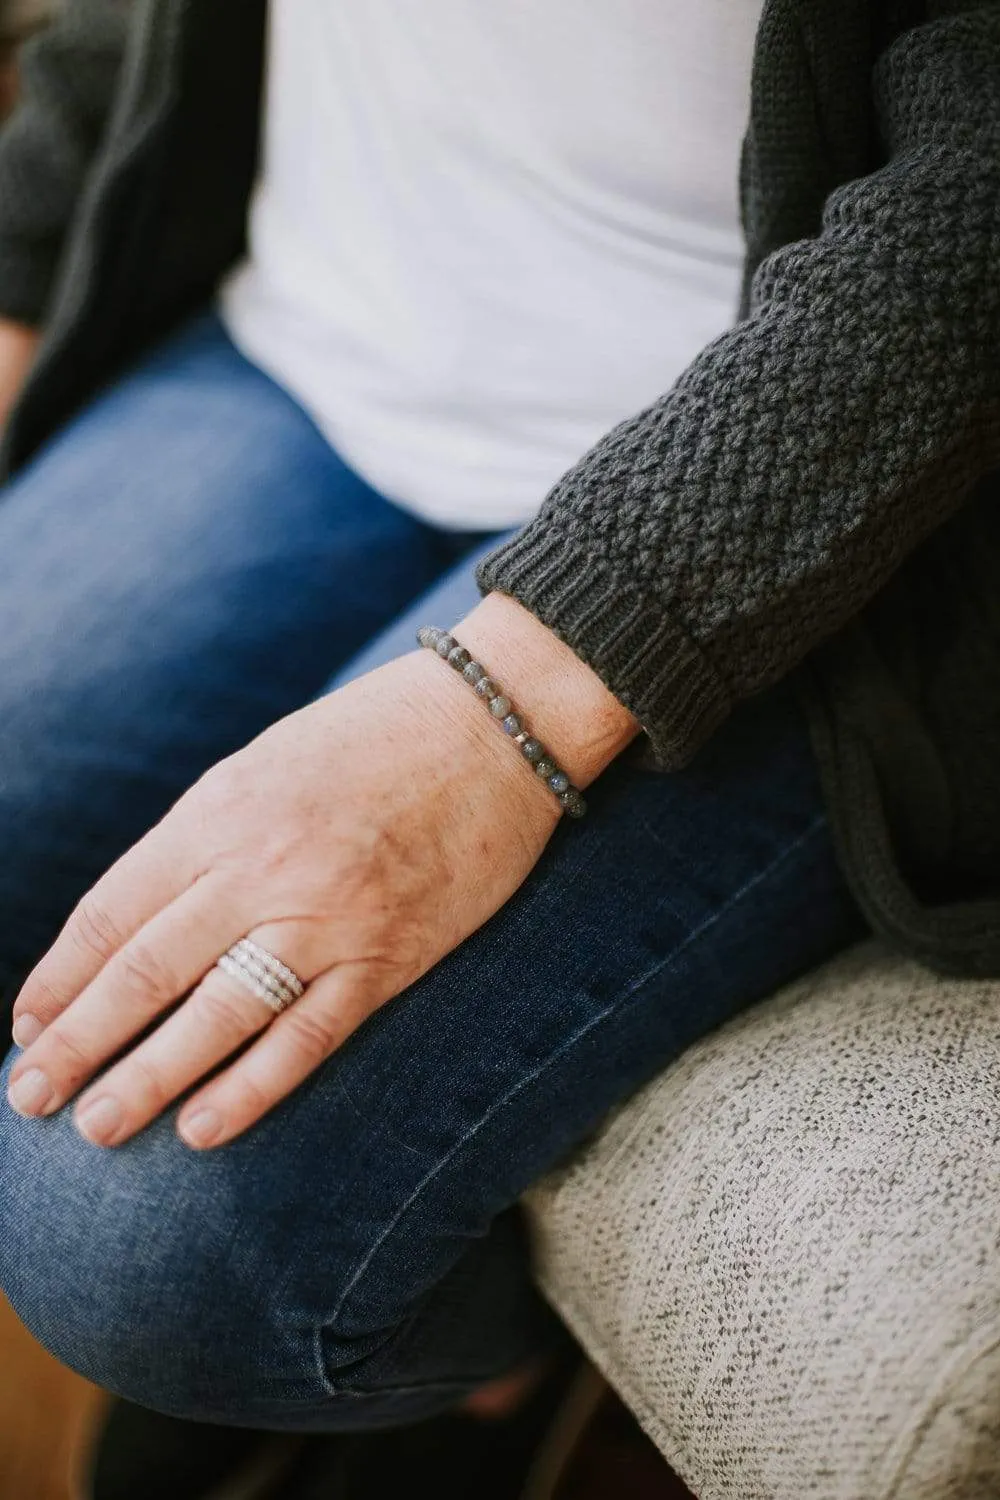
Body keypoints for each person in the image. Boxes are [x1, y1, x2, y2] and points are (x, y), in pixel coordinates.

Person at [0, 1, 997, 1495]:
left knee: (139, 1237)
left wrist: (501, 712)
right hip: (303, 345)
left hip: (821, 500)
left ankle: (457, 1385)